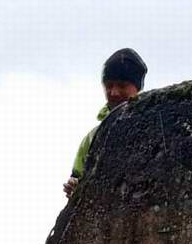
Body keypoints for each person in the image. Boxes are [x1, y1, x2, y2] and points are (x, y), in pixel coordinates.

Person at [62, 48, 147, 198]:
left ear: (137, 87)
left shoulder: (152, 124)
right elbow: (77, 176)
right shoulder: (92, 137)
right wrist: (74, 186)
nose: (114, 92)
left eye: (122, 85)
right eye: (108, 86)